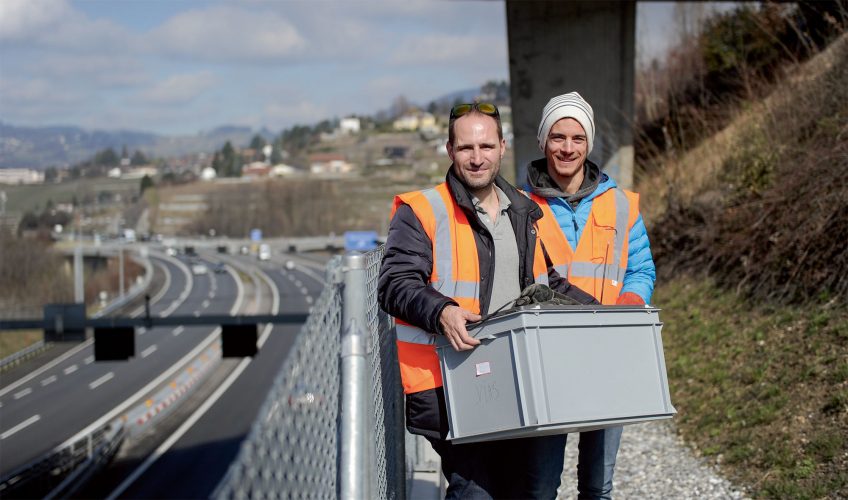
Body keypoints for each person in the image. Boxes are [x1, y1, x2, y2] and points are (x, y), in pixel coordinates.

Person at [378, 102, 597, 499]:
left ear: (502, 146)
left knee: (527, 490)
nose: (477, 159)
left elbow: (547, 285)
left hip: (520, 381)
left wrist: (606, 320)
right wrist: (441, 310)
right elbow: (395, 283)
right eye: (465, 148)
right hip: (454, 384)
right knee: (476, 492)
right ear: (449, 150)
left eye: (486, 147)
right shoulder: (423, 210)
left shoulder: (522, 212)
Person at [524, 92, 657, 499]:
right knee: (541, 485)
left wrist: (629, 307)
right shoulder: (518, 207)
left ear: (589, 143)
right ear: (543, 141)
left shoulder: (621, 205)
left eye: (577, 138)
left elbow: (641, 270)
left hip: (606, 355)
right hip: (546, 360)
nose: (567, 148)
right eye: (558, 137)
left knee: (599, 485)